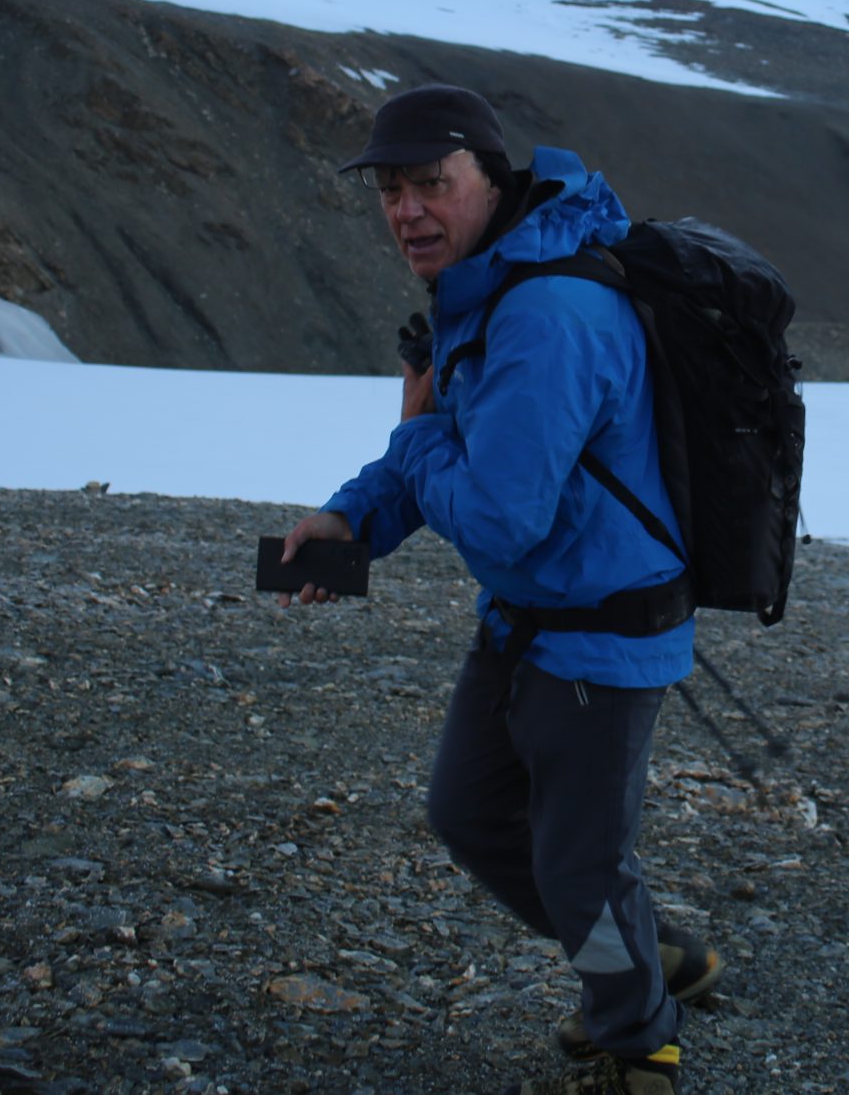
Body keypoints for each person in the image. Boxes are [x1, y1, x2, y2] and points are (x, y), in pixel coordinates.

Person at [277, 84, 721, 1095]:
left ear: (490, 177)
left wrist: (417, 433)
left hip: (598, 640)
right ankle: (661, 960)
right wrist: (351, 521)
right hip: (527, 622)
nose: (407, 211)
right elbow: (449, 444)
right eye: (391, 191)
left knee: (576, 865)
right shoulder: (490, 284)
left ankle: (635, 1041)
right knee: (471, 816)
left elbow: (497, 511)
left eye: (432, 183)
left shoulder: (549, 314)